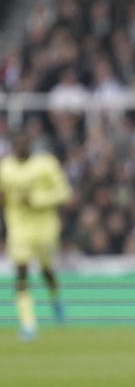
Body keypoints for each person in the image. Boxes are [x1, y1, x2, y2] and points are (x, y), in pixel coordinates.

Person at [0, 132, 71, 341]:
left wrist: (37, 200)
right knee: (21, 274)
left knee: (46, 270)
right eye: (17, 144)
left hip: (45, 229)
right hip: (19, 229)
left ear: (30, 144)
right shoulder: (6, 169)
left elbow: (64, 192)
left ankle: (56, 299)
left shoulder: (46, 165)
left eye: (24, 142)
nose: (21, 147)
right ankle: (28, 324)